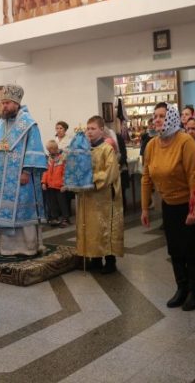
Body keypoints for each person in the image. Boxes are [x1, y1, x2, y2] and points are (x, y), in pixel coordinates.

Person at [141, 103, 195, 311]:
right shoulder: (152, 145)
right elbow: (146, 178)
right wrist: (144, 208)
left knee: (191, 250)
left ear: (172, 117)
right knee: (175, 249)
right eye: (155, 116)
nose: (157, 119)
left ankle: (194, 292)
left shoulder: (185, 142)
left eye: (162, 115)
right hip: (168, 205)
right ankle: (181, 288)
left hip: (188, 204)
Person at [0, 84, 47, 256]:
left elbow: (34, 148)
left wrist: (26, 171)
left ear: (16, 104)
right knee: (2, 211)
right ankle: (5, 248)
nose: (4, 106)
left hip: (20, 177)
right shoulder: (0, 125)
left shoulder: (28, 124)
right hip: (0, 177)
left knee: (21, 211)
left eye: (7, 103)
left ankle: (27, 247)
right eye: (3, 103)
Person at [76, 116, 124, 274]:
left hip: (103, 196)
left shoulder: (107, 148)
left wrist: (91, 179)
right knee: (91, 228)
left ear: (101, 130)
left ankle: (110, 261)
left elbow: (111, 172)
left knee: (105, 227)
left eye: (93, 128)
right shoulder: (84, 150)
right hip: (88, 197)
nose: (89, 132)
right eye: (88, 128)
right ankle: (95, 259)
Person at [42, 140, 69, 228]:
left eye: (49, 149)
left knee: (62, 203)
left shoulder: (63, 158)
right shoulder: (49, 159)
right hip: (50, 185)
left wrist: (64, 184)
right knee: (52, 203)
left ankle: (65, 219)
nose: (48, 151)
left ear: (54, 148)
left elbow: (66, 172)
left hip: (60, 186)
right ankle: (55, 218)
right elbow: (45, 171)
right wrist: (44, 182)